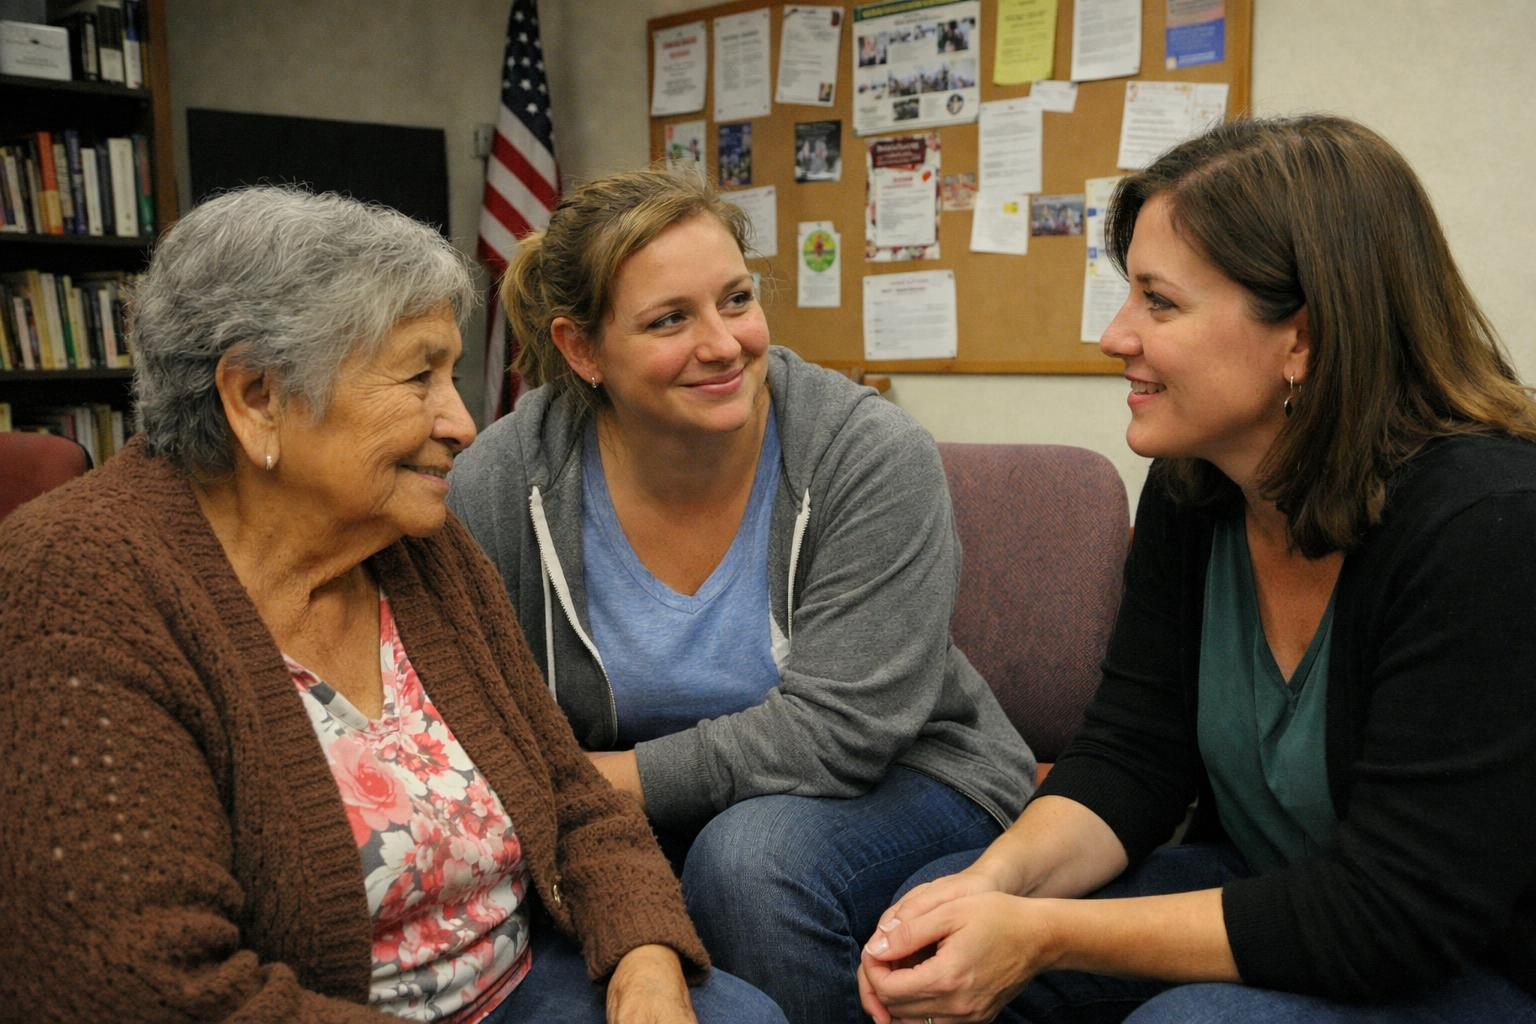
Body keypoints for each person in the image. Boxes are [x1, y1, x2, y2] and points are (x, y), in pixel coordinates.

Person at [0, 186, 788, 1024]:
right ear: (257, 396)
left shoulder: (414, 542)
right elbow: (144, 988)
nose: (462, 424)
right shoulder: (75, 585)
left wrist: (646, 963)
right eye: (420, 377)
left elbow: (572, 797)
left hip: (517, 983)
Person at [860, 114, 1536, 1023]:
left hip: (1468, 957)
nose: (1115, 335)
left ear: (1303, 338)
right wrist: (995, 887)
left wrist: (1044, 933)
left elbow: (1396, 912)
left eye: (1160, 303)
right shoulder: (1197, 485)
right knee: (937, 921)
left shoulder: (1490, 525)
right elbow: (1133, 755)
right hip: (1277, 888)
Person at [446, 168, 1036, 1024]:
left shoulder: (866, 454)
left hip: (908, 773)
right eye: (670, 320)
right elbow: (475, 714)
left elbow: (843, 732)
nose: (723, 344)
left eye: (736, 300)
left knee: (748, 861)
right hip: (628, 808)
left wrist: (589, 784)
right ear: (581, 350)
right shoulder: (503, 482)